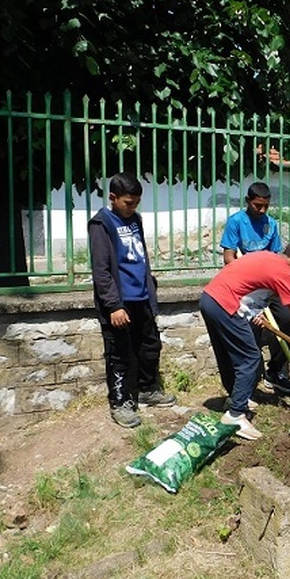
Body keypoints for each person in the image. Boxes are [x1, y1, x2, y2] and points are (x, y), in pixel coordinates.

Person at [200, 238, 290, 440]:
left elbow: (245, 286)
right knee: (250, 358)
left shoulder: (267, 258)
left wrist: (251, 313)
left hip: (209, 299)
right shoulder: (283, 271)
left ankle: (234, 399)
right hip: (225, 304)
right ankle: (235, 414)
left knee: (229, 354)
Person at [89, 172, 176, 428]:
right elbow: (101, 270)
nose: (133, 208)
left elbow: (140, 257)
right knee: (120, 354)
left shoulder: (135, 219)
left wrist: (150, 290)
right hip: (119, 302)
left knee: (149, 347)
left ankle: (147, 390)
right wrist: (113, 305)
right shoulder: (101, 224)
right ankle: (121, 402)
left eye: (136, 203)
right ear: (113, 197)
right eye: (128, 203)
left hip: (141, 297)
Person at [219, 182, 290, 397]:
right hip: (245, 285)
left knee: (286, 318)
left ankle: (277, 371)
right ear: (248, 202)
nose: (261, 210)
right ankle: (250, 379)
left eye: (265, 206)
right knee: (250, 328)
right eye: (257, 206)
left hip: (268, 285)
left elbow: (276, 259)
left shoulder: (270, 224)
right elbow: (229, 258)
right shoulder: (236, 222)